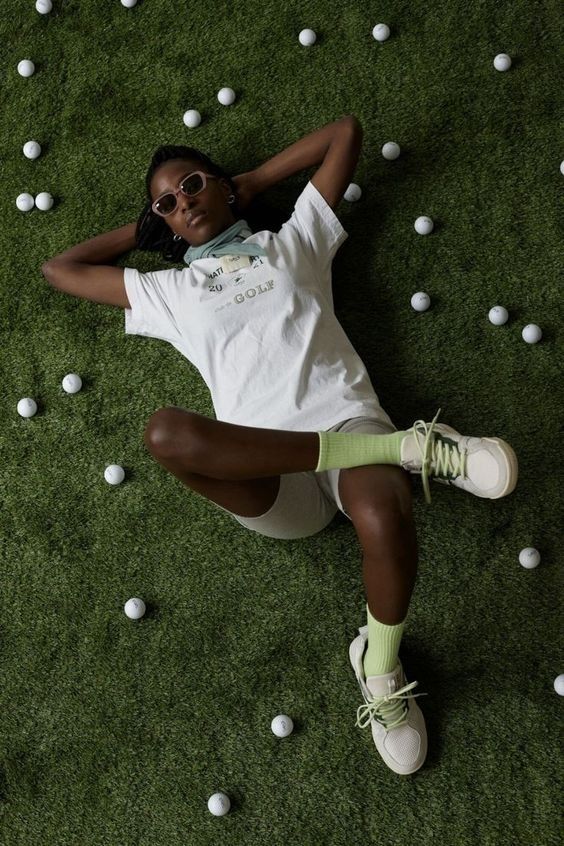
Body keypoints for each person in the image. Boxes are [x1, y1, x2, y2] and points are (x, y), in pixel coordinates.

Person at [52, 122, 519, 776]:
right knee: (164, 432)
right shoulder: (170, 294)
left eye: (192, 183)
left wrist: (251, 181)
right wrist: (152, 229)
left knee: (385, 517)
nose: (183, 200)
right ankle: (414, 449)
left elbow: (344, 135)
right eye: (167, 202)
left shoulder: (293, 240)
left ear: (224, 187)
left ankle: (378, 669)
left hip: (347, 421)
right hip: (268, 470)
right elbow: (60, 270)